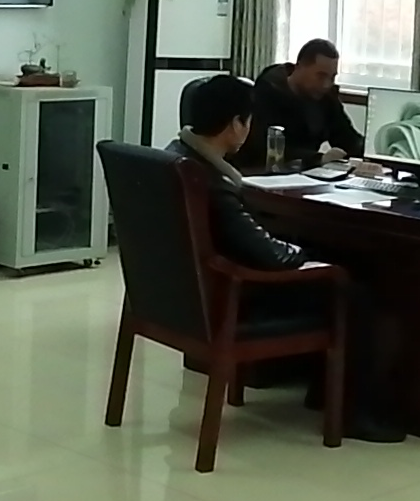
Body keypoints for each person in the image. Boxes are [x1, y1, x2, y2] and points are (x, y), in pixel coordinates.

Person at [171, 72, 400, 442]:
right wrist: (306, 254)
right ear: (236, 125)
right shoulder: (212, 183)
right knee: (352, 287)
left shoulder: (175, 158)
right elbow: (273, 257)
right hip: (236, 298)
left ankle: (323, 391)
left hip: (188, 295)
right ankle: (353, 413)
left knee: (336, 265)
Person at [248, 40, 364, 167]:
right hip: (262, 171)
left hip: (306, 173)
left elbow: (348, 139)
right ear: (299, 67)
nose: (326, 84)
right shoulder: (268, 93)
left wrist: (372, 153)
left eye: (332, 77)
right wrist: (317, 159)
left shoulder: (326, 97)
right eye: (320, 76)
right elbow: (264, 147)